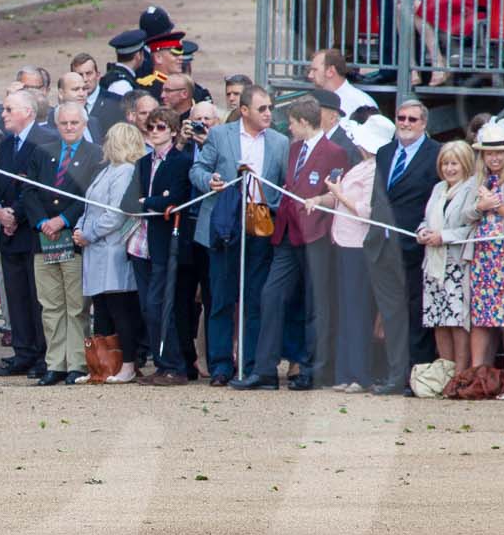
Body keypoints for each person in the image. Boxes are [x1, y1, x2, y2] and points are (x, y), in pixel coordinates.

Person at [241, 95, 345, 391]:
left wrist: (319, 199)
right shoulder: (294, 148)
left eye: (291, 123)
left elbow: (336, 190)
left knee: (315, 305)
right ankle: (265, 371)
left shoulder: (334, 152)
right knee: (271, 296)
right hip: (287, 234)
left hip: (315, 237)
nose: (288, 128)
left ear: (303, 122)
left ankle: (312, 370)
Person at [192, 84, 288, 388]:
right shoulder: (221, 135)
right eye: (262, 109)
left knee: (254, 298)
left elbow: (286, 185)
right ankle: (220, 365)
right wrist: (211, 180)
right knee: (221, 297)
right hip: (224, 221)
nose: (269, 114)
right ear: (244, 110)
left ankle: (250, 365)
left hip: (260, 220)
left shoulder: (280, 142)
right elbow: (197, 169)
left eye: (270, 108)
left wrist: (272, 205)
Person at [24, 99, 104, 385]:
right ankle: (55, 363)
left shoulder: (95, 154)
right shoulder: (42, 152)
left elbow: (89, 196)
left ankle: (77, 363)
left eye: (75, 123)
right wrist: (42, 221)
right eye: (64, 123)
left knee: (76, 306)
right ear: (56, 125)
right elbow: (29, 191)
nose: (69, 128)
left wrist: (63, 220)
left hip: (73, 241)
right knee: (51, 305)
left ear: (84, 125)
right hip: (44, 240)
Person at [367, 100, 439, 394]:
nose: (405, 123)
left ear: (423, 123)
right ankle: (396, 375)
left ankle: (417, 376)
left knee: (416, 313)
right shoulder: (385, 153)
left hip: (416, 247)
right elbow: (378, 197)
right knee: (392, 314)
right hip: (383, 247)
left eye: (412, 119)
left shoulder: (434, 154)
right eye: (401, 118)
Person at [317, 112, 392, 392]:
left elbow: (368, 211)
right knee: (347, 310)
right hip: (345, 243)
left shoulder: (374, 170)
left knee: (357, 310)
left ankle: (359, 374)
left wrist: (339, 194)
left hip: (358, 245)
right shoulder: (363, 165)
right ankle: (346, 372)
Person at [74, 122, 145, 383]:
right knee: (101, 309)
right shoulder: (107, 170)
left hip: (112, 248)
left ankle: (126, 364)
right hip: (94, 249)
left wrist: (89, 233)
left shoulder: (125, 171)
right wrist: (80, 229)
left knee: (120, 310)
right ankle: (101, 365)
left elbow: (115, 214)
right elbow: (89, 206)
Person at [0, 87, 49, 378]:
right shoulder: (7, 144)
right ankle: (23, 351)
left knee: (37, 297)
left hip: (31, 232)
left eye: (8, 109)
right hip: (9, 233)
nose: (3, 115)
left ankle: (41, 353)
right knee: (16, 296)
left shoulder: (43, 141)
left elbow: (37, 186)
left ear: (27, 111)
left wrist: (16, 214)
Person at [133, 107, 194, 384]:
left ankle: (175, 365)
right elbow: (136, 198)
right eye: (151, 127)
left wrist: (150, 202)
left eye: (161, 127)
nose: (155, 132)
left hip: (166, 242)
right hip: (142, 242)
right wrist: (154, 201)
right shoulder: (144, 163)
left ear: (172, 130)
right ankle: (161, 363)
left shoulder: (181, 161)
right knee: (147, 306)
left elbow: (177, 198)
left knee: (161, 305)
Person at [464, 123, 504, 393]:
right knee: (481, 318)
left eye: (499, 153)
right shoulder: (476, 182)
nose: (494, 158)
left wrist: (496, 206)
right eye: (489, 154)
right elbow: (465, 216)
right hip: (481, 257)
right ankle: (478, 376)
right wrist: (480, 206)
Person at [416, 140, 479, 375]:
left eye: (454, 164)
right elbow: (427, 219)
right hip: (433, 262)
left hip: (457, 263)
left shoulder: (471, 189)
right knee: (438, 319)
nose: (449, 169)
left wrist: (444, 236)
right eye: (445, 164)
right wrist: (422, 232)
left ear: (465, 165)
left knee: (456, 319)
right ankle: (445, 371)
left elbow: (472, 228)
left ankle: (460, 373)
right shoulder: (438, 188)